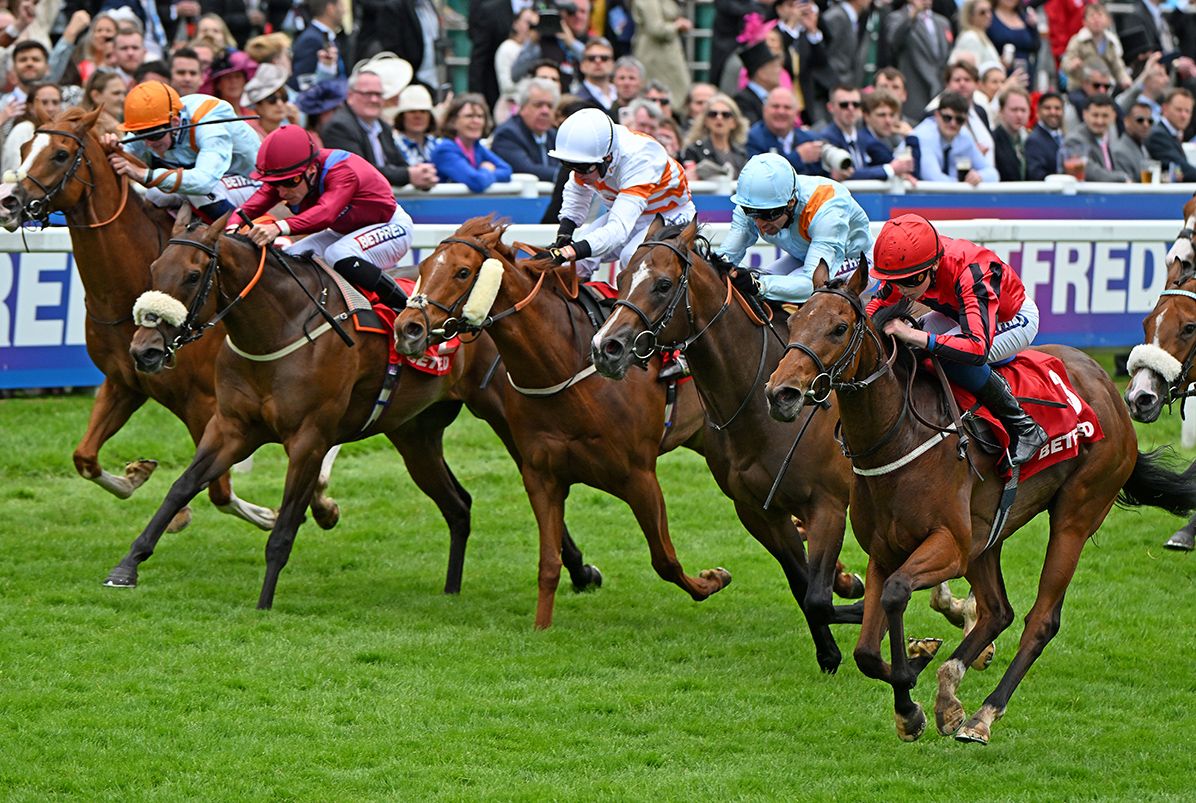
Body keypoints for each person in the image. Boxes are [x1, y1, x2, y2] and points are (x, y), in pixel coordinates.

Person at [865, 213, 1047, 466]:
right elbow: (874, 309)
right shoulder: (909, 266)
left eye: (909, 281)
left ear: (934, 266)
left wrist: (915, 335)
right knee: (903, 344)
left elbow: (976, 348)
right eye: (895, 281)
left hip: (1013, 318)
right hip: (957, 313)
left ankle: (1024, 426)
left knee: (943, 353)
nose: (901, 289)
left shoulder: (972, 272)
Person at [239, 126, 413, 309]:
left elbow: (325, 214)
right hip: (345, 233)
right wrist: (230, 231)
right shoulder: (292, 176)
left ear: (312, 170)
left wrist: (278, 227)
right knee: (289, 259)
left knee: (338, 253)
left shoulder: (343, 171)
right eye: (275, 184)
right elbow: (246, 209)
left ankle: (405, 307)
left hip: (390, 225)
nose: (282, 192)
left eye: (290, 182)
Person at [543, 106, 695, 279]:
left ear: (608, 158)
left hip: (670, 213)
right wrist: (565, 232)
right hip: (632, 212)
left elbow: (618, 229)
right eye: (569, 165)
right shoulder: (591, 157)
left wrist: (573, 249)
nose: (578, 174)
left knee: (632, 258)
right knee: (573, 264)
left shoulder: (640, 158)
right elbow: (576, 193)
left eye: (583, 168)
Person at [715, 152, 872, 303]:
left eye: (768, 214)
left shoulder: (827, 209)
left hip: (855, 259)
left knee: (766, 287)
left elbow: (814, 284)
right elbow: (726, 258)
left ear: (791, 202)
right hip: (803, 256)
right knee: (756, 280)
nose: (759, 223)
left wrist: (759, 285)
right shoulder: (752, 201)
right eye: (751, 213)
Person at [104, 81, 262, 219]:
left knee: (199, 194)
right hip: (221, 184)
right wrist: (111, 148)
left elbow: (204, 182)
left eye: (153, 135)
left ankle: (245, 241)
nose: (147, 143)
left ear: (174, 122)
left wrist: (144, 174)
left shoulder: (209, 121)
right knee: (155, 195)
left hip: (255, 183)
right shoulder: (156, 123)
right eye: (139, 134)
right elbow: (125, 151)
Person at [319, 69, 439, 189]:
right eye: (367, 94)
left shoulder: (383, 127)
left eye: (378, 94)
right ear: (350, 96)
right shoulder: (339, 126)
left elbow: (399, 163)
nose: (374, 99)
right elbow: (358, 171)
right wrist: (408, 175)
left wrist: (420, 173)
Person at [431, 94, 513, 192]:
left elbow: (506, 170)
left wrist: (484, 175)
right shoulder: (445, 150)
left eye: (480, 116)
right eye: (469, 116)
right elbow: (476, 182)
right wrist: (486, 170)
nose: (476, 121)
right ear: (453, 122)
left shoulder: (477, 147)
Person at [913, 91, 998, 184]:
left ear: (965, 121)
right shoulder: (924, 135)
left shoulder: (964, 137)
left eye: (959, 120)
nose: (952, 124)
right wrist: (963, 184)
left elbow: (993, 174)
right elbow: (933, 178)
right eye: (947, 118)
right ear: (937, 115)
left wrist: (980, 176)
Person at [491, 77, 560, 182]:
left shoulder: (555, 135)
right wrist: (567, 175)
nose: (545, 111)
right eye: (538, 105)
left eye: (550, 106)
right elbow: (527, 170)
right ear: (522, 108)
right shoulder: (508, 134)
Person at [745, 87, 824, 175]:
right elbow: (762, 176)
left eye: (787, 107)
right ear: (765, 110)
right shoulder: (755, 137)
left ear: (796, 113)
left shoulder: (810, 138)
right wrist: (798, 157)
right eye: (775, 106)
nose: (781, 112)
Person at [1063, 93, 1132, 182]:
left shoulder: (1109, 137)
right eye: (1095, 115)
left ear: (1113, 116)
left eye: (1105, 116)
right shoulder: (1074, 140)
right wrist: (1122, 178)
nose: (1100, 121)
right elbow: (1090, 171)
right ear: (1085, 114)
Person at [681, 92, 748, 181]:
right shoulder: (693, 150)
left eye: (726, 115)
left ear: (734, 123)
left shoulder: (741, 154)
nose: (719, 118)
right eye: (713, 114)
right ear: (705, 121)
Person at [1, 83, 61, 177]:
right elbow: (13, 171)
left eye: (55, 102)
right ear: (31, 107)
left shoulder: (61, 133)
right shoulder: (24, 129)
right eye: (44, 102)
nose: (50, 108)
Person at [393, 84, 442, 165]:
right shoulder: (392, 146)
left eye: (423, 111)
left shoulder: (438, 144)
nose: (418, 116)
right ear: (402, 116)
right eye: (412, 111)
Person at [241, 64, 294, 138]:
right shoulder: (247, 134)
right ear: (257, 105)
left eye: (284, 97)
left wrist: (295, 125)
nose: (280, 103)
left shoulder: (289, 130)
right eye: (271, 99)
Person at [991, 87, 1031, 181]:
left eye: (1023, 110)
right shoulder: (992, 140)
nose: (1019, 115)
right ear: (1001, 111)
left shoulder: (1030, 141)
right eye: (1014, 110)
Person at [1025, 91, 1066, 180]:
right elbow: (1036, 174)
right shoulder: (1034, 140)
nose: (1053, 112)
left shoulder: (1065, 138)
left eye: (1057, 108)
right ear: (1038, 111)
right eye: (1047, 108)